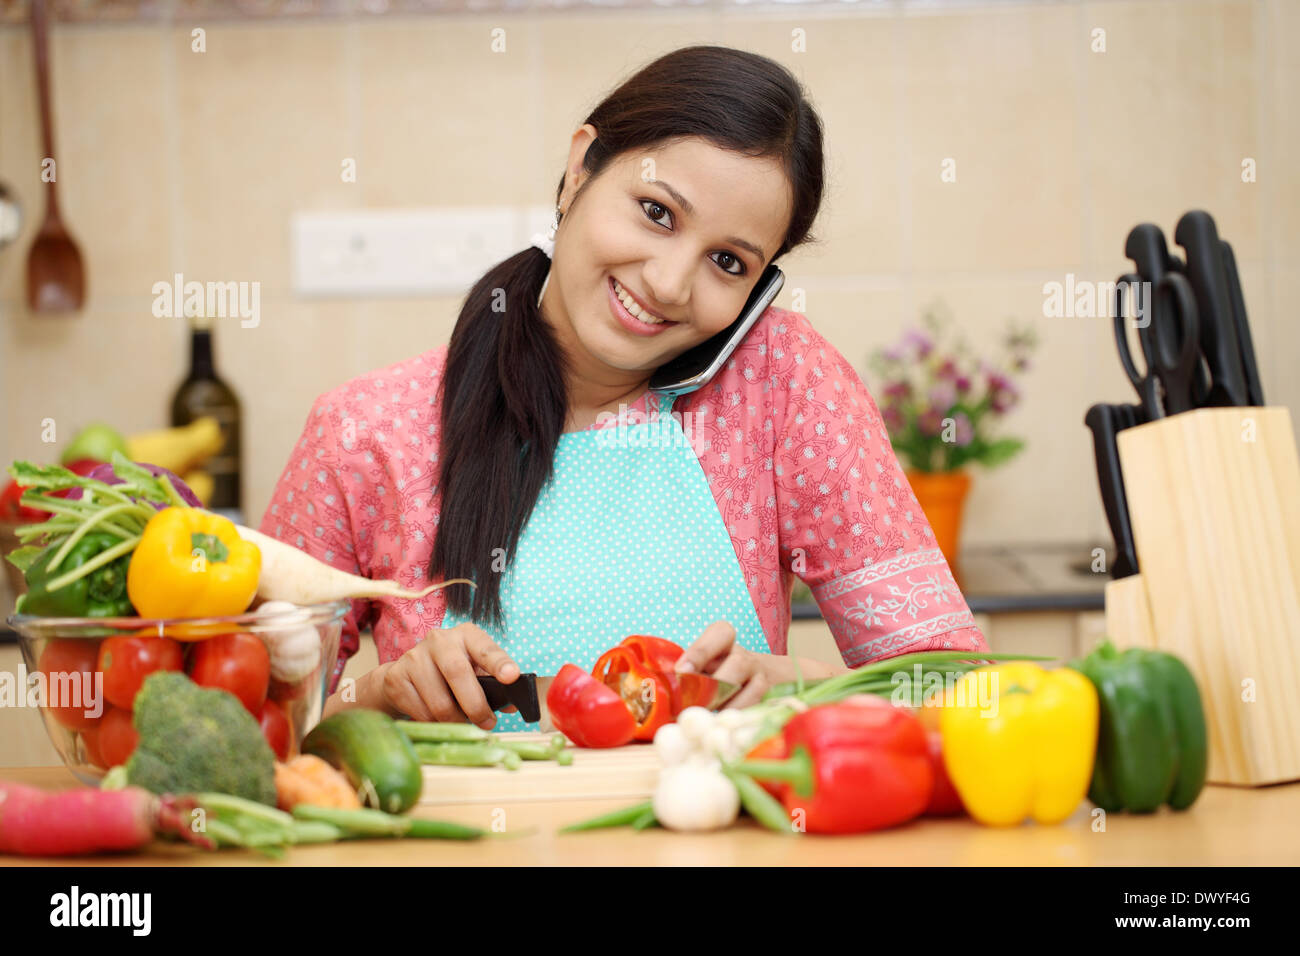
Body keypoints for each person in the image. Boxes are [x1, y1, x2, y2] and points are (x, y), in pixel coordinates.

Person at [260, 44, 987, 731]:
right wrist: (379, 695)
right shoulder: (364, 431)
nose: (669, 283)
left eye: (728, 263)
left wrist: (806, 688)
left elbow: (958, 690)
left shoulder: (785, 387)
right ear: (581, 168)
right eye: (656, 212)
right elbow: (242, 723)